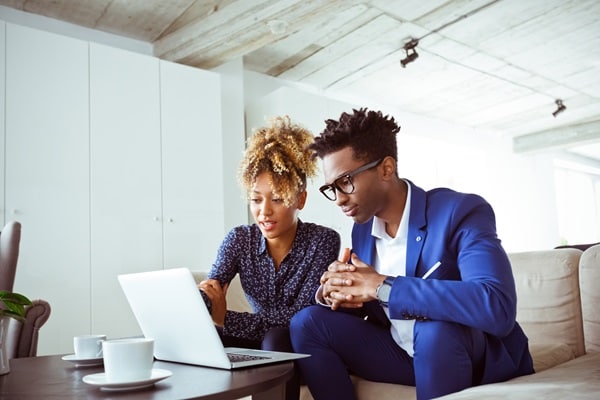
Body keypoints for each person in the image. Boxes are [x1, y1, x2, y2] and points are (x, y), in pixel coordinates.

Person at [289, 108, 534, 400]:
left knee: (435, 330)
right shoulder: (363, 230)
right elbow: (376, 309)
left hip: (466, 356)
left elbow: (497, 306)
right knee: (306, 322)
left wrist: (382, 285)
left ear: (386, 169)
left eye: (345, 181)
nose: (339, 198)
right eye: (332, 188)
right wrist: (342, 292)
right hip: (402, 353)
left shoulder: (459, 212)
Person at [199, 115, 341, 400]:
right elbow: (212, 288)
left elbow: (301, 315)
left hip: (301, 342)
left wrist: (225, 318)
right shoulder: (239, 239)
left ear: (300, 199)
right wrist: (200, 305)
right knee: (202, 337)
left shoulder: (324, 240)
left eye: (277, 198)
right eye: (256, 199)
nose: (264, 211)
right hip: (256, 337)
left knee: (276, 336)